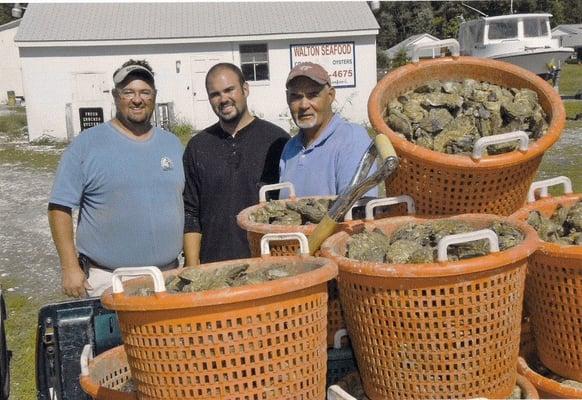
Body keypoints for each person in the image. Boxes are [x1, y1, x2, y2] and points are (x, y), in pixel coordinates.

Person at [48, 60, 185, 298]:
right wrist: (69, 266)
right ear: (115, 95)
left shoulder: (172, 144)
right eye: (128, 92)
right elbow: (59, 207)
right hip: (109, 280)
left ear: (154, 96)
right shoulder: (87, 145)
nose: (137, 99)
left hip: (168, 277)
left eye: (145, 92)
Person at [183, 63, 289, 265]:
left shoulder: (277, 141)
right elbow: (191, 213)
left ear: (245, 89)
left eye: (229, 90)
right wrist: (192, 267)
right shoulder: (197, 147)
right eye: (215, 94)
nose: (223, 99)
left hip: (265, 265)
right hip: (214, 268)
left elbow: (287, 211)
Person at [279, 62, 377, 197]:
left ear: (330, 96)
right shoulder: (290, 148)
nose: (303, 105)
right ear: (287, 98)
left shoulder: (352, 139)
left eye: (313, 95)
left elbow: (357, 210)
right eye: (296, 96)